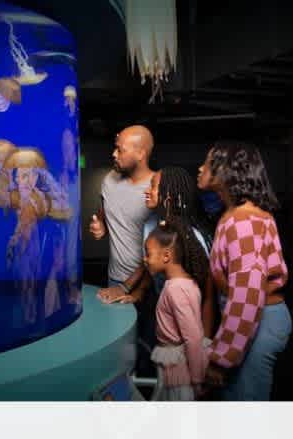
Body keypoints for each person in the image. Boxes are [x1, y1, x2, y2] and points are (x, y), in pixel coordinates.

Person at [197, 141, 290, 400]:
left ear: (227, 170)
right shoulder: (236, 215)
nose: (200, 168)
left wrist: (222, 358)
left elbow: (248, 294)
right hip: (250, 323)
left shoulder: (243, 221)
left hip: (256, 322)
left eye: (207, 162)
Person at [115, 167, 216, 338]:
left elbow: (208, 295)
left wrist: (205, 340)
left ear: (168, 196)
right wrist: (137, 294)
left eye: (153, 187)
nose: (147, 191)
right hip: (161, 304)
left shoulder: (191, 238)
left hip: (188, 313)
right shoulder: (151, 225)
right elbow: (153, 265)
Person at [143, 221, 209, 401]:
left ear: (166, 256)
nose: (145, 259)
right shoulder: (187, 282)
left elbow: (193, 337)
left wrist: (197, 380)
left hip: (181, 377)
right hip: (178, 373)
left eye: (148, 254)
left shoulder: (175, 290)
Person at [89, 125, 155, 301]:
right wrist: (101, 225)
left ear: (140, 154)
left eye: (120, 150)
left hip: (149, 281)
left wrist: (129, 288)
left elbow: (164, 249)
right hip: (114, 278)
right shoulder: (109, 180)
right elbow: (105, 212)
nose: (114, 154)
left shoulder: (157, 189)